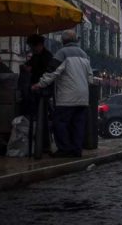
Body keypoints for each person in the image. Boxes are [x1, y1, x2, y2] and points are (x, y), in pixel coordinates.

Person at [31, 30, 94, 158]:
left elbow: (52, 72)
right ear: (76, 40)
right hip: (83, 97)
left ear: (63, 41)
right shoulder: (84, 54)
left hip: (67, 96)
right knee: (78, 125)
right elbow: (90, 76)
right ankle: (76, 150)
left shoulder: (62, 53)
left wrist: (39, 84)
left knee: (59, 122)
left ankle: (64, 149)